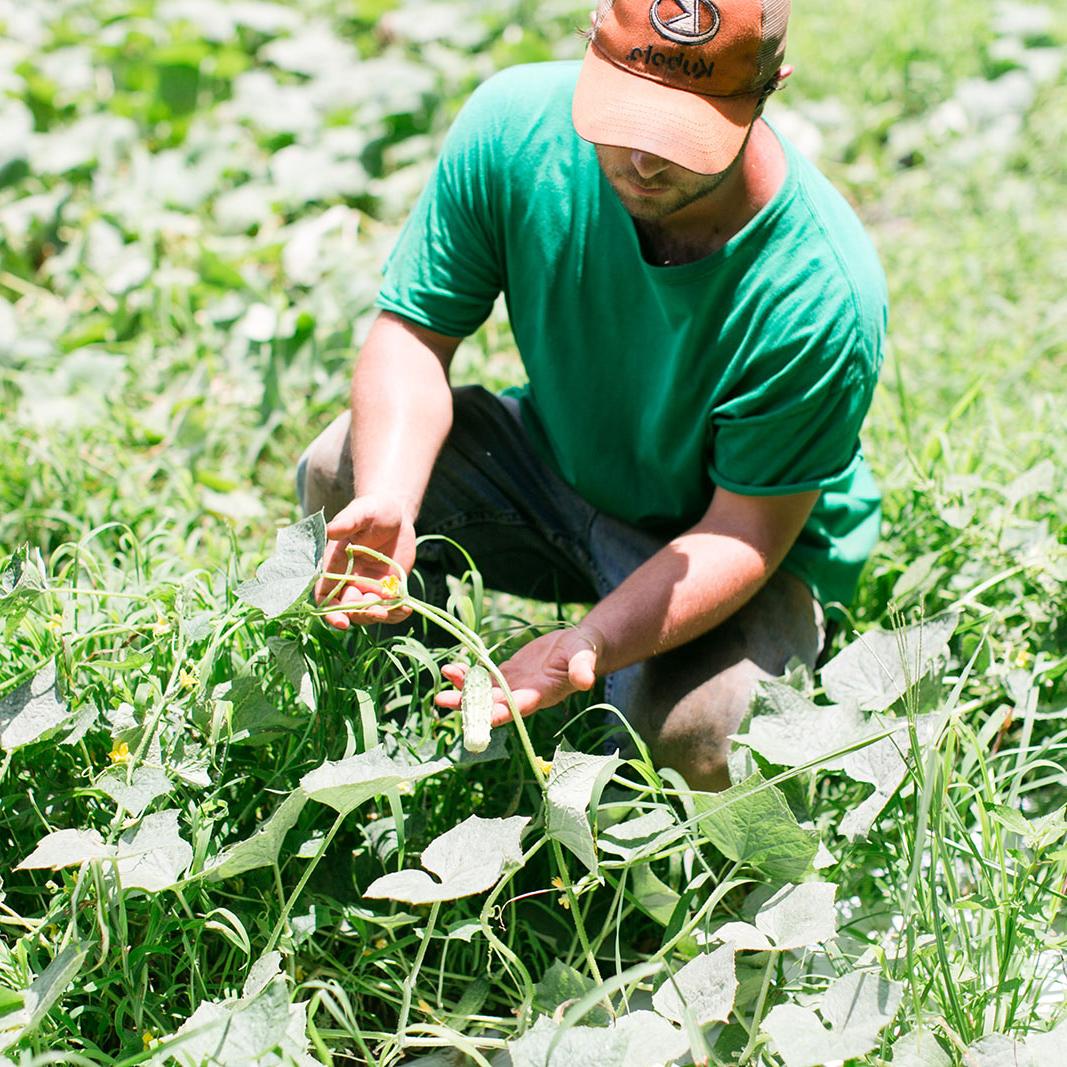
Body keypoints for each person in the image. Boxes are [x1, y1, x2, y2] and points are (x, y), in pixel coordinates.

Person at [297, 0, 887, 790]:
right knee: (343, 469)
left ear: (768, 90)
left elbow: (743, 531)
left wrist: (593, 641)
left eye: (683, 133)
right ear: (587, 49)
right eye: (625, 113)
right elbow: (413, 335)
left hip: (730, 537)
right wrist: (392, 499)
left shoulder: (820, 289)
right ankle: (407, 751)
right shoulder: (512, 129)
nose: (643, 159)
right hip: (563, 466)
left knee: (698, 742)